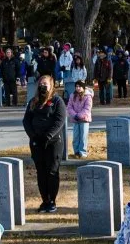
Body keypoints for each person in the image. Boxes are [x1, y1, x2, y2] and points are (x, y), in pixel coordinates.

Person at [23, 75, 67, 215]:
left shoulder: (57, 101)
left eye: (45, 84)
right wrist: (33, 136)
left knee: (52, 171)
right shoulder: (33, 101)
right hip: (37, 143)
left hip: (53, 143)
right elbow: (26, 121)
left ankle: (52, 201)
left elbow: (59, 121)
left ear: (51, 85)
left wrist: (48, 136)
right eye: (40, 83)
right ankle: (45, 200)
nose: (42, 86)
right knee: (41, 172)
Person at [66, 80, 93, 158]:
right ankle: (76, 152)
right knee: (76, 136)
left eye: (80, 86)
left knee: (83, 137)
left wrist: (79, 115)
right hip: (75, 119)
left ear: (83, 87)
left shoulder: (88, 96)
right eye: (76, 86)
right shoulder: (72, 95)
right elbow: (69, 107)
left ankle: (83, 152)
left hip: (84, 119)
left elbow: (87, 108)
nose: (78, 88)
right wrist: (74, 115)